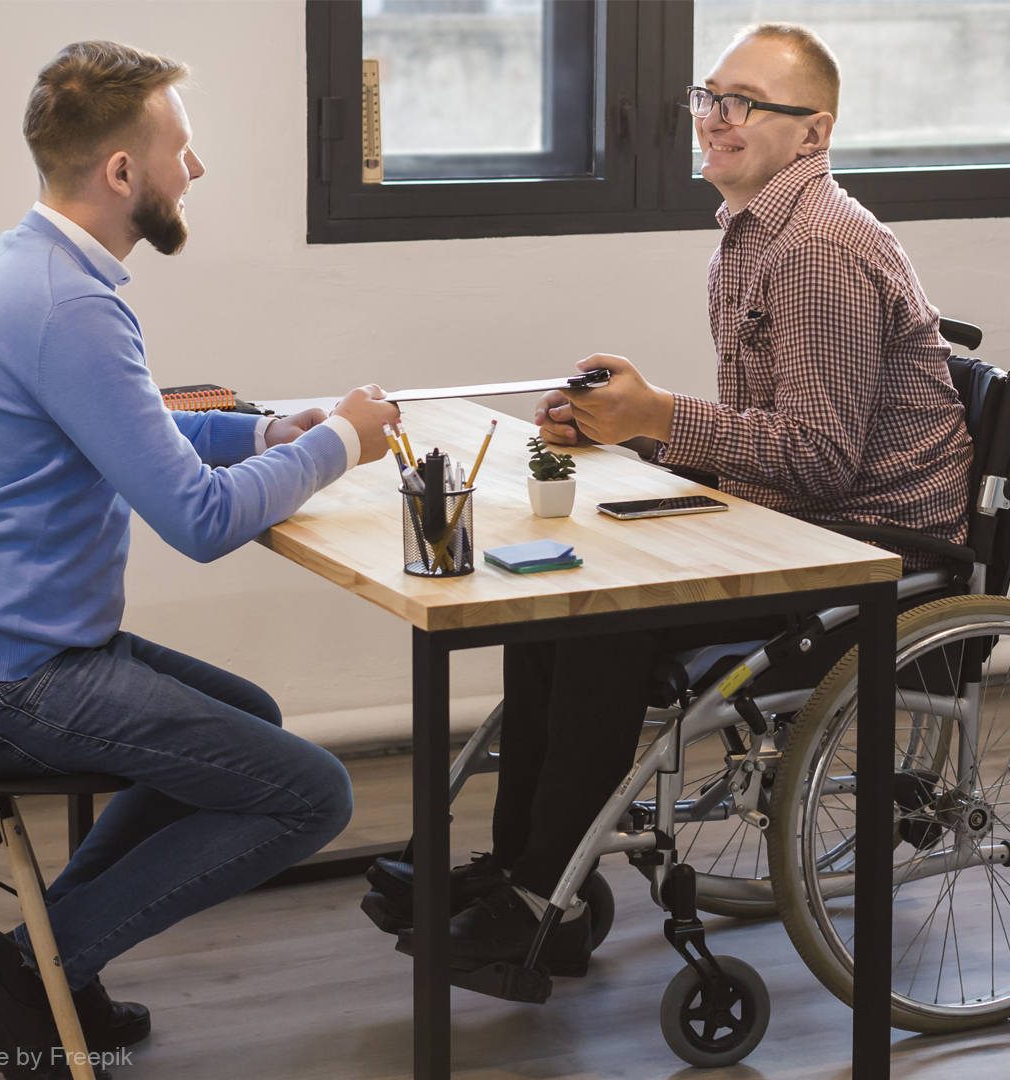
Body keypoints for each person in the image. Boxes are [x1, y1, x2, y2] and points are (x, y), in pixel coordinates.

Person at [364, 22, 972, 977]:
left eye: (743, 105)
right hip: (799, 512)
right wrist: (629, 425)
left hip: (879, 542)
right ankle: (528, 870)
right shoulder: (752, 234)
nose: (714, 121)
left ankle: (539, 899)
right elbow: (774, 441)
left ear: (811, 133)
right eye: (710, 97)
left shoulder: (817, 246)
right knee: (553, 592)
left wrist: (660, 414)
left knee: (607, 614)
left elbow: (818, 458)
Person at [0, 40, 399, 1078]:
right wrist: (343, 444)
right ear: (122, 174)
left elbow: (133, 431)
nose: (198, 169)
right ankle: (26, 971)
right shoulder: (70, 306)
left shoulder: (19, 266)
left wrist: (268, 434)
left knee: (254, 723)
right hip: (1, 681)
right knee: (309, 793)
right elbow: (196, 522)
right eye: (181, 149)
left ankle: (54, 971)